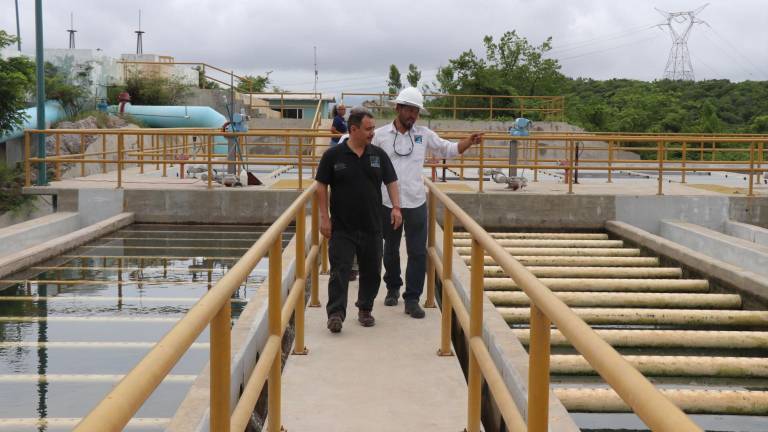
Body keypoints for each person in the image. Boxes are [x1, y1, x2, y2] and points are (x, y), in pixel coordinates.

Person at [373, 87, 482, 318]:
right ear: (398, 108)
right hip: (387, 202)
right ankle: (393, 286)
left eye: (416, 111)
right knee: (390, 249)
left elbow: (448, 149)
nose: (413, 115)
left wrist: (468, 142)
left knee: (417, 252)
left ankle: (412, 298)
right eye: (409, 110)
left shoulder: (423, 134)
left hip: (415, 202)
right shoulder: (380, 135)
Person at [315, 107, 403, 333]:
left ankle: (365, 309)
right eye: (368, 129)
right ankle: (335, 313)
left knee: (372, 271)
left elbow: (391, 181)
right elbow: (321, 186)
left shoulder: (377, 155)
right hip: (342, 227)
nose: (372, 133)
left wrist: (396, 207)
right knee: (340, 270)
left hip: (372, 225)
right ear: (353, 130)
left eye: (373, 128)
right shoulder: (333, 155)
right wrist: (324, 217)